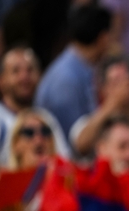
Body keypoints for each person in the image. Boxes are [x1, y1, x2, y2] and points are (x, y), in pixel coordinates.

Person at [34, 3, 112, 138]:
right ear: (103, 38)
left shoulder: (83, 68)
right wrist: (113, 104)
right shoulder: (65, 79)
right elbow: (75, 142)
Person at [0, 46, 70, 165]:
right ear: (1, 81)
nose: (24, 77)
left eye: (30, 70)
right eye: (16, 71)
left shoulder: (46, 119)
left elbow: (65, 162)